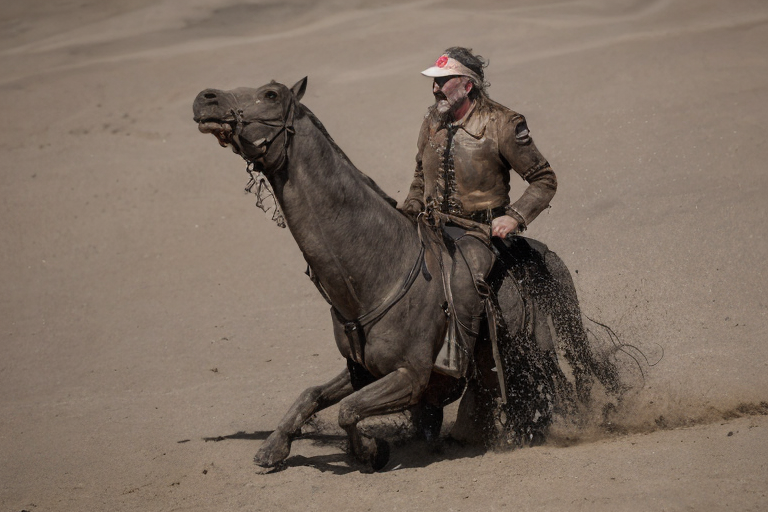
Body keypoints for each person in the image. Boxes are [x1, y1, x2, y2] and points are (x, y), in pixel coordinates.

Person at [401, 47, 557, 377]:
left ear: (467, 85)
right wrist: (411, 206)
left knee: (463, 274)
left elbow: (544, 180)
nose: (435, 88)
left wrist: (515, 216)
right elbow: (419, 174)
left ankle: (454, 358)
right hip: (432, 225)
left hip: (479, 233)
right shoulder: (432, 121)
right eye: (434, 81)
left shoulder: (503, 124)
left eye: (443, 81)